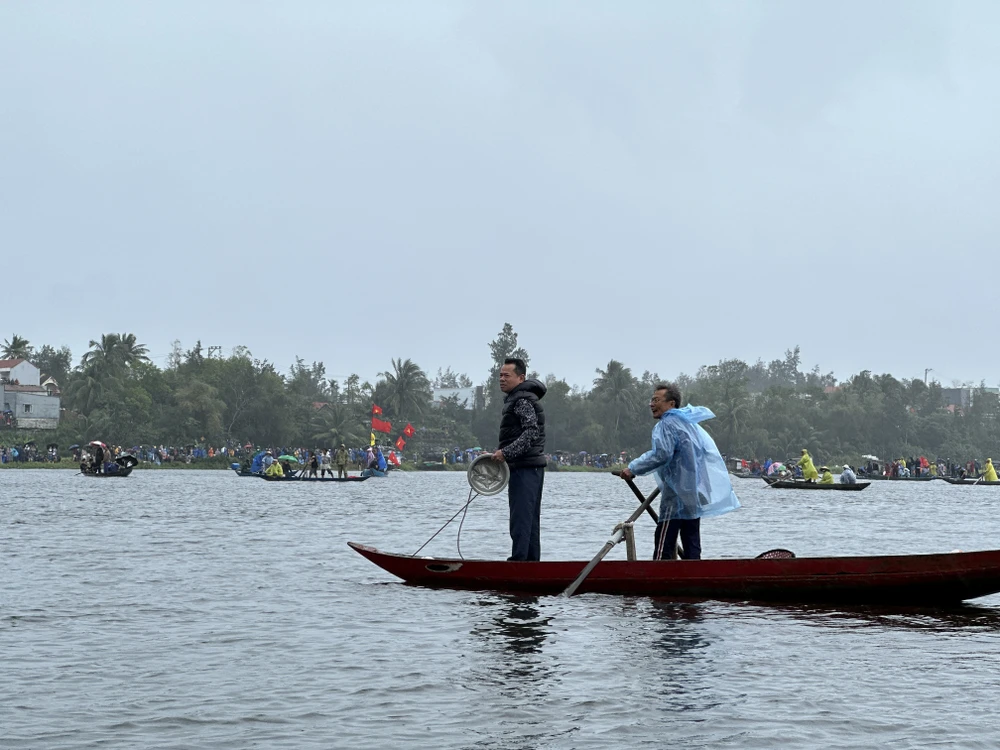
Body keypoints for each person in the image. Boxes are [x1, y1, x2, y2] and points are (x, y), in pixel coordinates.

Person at [619, 383, 740, 560]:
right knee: (691, 539)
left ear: (671, 403)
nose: (651, 404)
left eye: (656, 400)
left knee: (664, 539)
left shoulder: (667, 424)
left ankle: (659, 577)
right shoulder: (688, 423)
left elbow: (661, 454)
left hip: (675, 494)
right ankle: (693, 575)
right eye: (651, 400)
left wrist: (633, 468)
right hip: (693, 491)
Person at [490, 357, 546, 561]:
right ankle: (530, 565)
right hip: (528, 467)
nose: (501, 379)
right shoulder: (519, 398)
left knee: (522, 519)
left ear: (521, 377)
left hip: (526, 468)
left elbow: (531, 433)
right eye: (500, 375)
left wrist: (506, 453)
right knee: (529, 520)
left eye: (507, 375)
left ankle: (520, 563)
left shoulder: (522, 399)